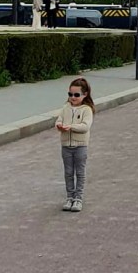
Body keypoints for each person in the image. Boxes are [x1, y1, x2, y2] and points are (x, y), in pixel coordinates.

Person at [54, 77, 95, 212]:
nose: (73, 97)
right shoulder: (65, 108)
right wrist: (60, 126)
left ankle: (78, 198)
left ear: (85, 94)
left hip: (80, 146)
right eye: (70, 94)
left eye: (76, 95)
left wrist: (70, 126)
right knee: (68, 172)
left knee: (80, 172)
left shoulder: (86, 109)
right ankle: (69, 197)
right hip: (66, 145)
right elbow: (58, 121)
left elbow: (85, 126)